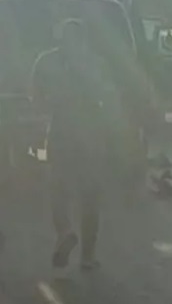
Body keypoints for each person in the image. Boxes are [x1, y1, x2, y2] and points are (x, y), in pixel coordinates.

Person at [31, 19, 120, 271]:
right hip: (92, 133)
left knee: (58, 189)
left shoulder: (46, 61)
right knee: (90, 196)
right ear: (84, 39)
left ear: (62, 37)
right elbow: (110, 98)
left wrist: (45, 110)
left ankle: (65, 231)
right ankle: (88, 256)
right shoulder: (97, 63)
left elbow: (36, 97)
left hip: (61, 130)